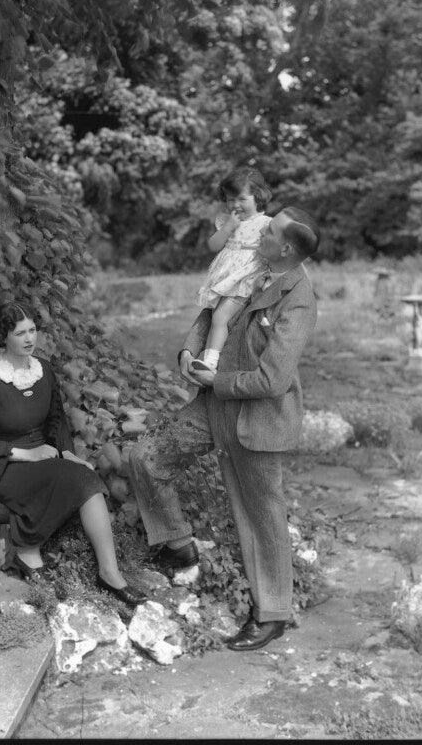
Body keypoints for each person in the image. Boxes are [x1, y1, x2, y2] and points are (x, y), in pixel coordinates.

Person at [129, 206, 320, 649]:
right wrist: (188, 351)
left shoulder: (299, 299)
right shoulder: (251, 264)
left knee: (260, 516)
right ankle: (178, 543)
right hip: (211, 406)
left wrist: (218, 381)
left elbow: (273, 380)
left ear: (286, 247)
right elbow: (212, 310)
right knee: (147, 457)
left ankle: (271, 614)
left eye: (269, 231)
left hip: (256, 419)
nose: (260, 231)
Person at [0, 301, 147, 606]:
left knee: (83, 474)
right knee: (71, 477)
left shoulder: (43, 370)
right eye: (20, 333)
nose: (29, 338)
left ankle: (110, 573)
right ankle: (27, 549)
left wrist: (68, 453)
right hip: (2, 464)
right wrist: (27, 454)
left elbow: (56, 421)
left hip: (44, 456)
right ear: (3, 336)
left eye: (33, 330)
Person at [191, 167, 272, 372]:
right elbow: (213, 246)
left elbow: (273, 251)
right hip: (226, 277)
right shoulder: (225, 221)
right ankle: (216, 357)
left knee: (221, 317)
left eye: (242, 199)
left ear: (258, 197)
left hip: (246, 277)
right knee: (218, 317)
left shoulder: (265, 223)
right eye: (230, 199)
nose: (235, 205)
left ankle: (211, 361)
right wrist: (228, 228)